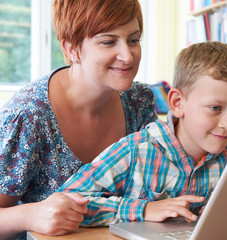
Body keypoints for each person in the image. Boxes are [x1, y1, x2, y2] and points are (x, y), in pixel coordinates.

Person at [0, 0, 157, 239]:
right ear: (72, 49)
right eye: (108, 42)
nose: (127, 55)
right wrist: (30, 215)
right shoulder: (28, 115)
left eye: (133, 40)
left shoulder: (140, 102)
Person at [59, 41, 227, 226]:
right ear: (177, 103)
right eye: (215, 108)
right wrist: (144, 209)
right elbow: (66, 201)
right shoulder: (137, 150)